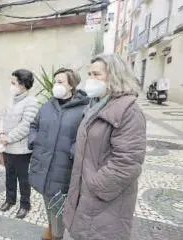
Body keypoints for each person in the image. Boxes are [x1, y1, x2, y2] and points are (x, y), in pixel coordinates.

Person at [62, 54, 146, 240]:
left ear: (114, 76)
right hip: (85, 196)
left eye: (96, 74)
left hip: (105, 200)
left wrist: (94, 186)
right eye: (89, 74)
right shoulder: (94, 106)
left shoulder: (129, 111)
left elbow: (127, 162)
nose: (90, 79)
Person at [28, 68, 89, 240]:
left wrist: (72, 152)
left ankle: (56, 235)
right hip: (43, 164)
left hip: (63, 167)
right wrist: (35, 141)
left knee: (58, 205)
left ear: (72, 85)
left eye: (60, 82)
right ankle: (52, 230)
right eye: (55, 81)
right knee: (48, 201)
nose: (56, 85)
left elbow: (86, 136)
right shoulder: (48, 105)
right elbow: (34, 125)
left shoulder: (84, 109)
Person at [0, 69, 39, 219]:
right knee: (9, 176)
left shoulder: (31, 102)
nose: (11, 85)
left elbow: (27, 125)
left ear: (22, 84)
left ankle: (25, 205)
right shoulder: (11, 98)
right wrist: (1, 133)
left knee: (23, 178)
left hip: (21, 150)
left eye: (13, 82)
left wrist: (8, 137)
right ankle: (10, 200)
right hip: (7, 147)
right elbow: (2, 117)